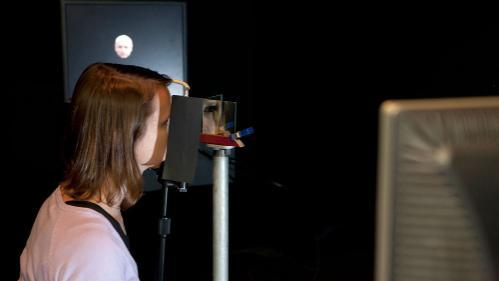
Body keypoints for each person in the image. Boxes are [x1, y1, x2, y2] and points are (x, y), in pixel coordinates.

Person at [18, 62, 172, 281]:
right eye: (164, 123)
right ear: (124, 132)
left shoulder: (66, 197)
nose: (171, 131)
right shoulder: (96, 250)